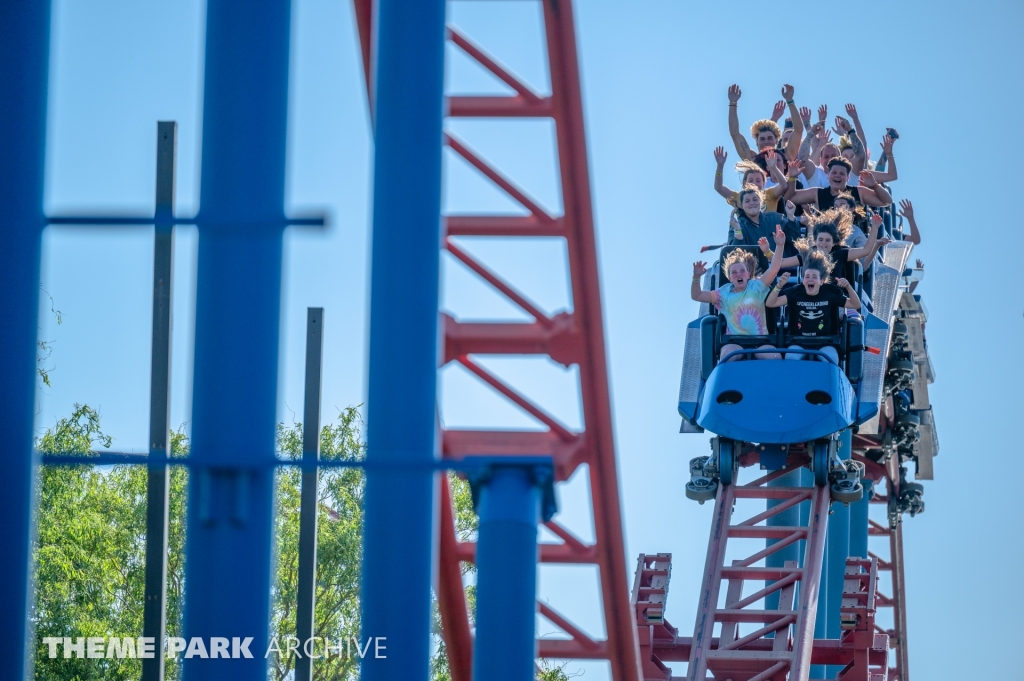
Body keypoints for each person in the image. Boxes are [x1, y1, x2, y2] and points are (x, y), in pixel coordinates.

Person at [691, 227, 787, 361]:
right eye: (734, 272)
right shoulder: (723, 293)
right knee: (727, 355)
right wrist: (696, 278)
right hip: (735, 342)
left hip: (761, 341)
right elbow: (697, 295)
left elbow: (774, 268)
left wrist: (780, 245)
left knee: (775, 356)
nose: (738, 274)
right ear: (729, 277)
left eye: (742, 271)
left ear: (748, 274)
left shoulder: (757, 286)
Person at [765, 250, 862, 364]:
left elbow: (856, 304)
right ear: (803, 280)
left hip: (825, 342)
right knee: (791, 358)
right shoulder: (796, 292)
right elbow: (770, 303)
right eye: (807, 276)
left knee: (831, 359)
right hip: (799, 342)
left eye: (814, 277)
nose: (810, 279)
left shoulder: (830, 293)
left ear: (821, 281)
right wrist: (779, 286)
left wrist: (849, 287)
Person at [727, 84, 804, 162]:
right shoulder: (753, 159)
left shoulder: (786, 155)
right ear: (757, 142)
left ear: (777, 140)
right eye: (762, 139)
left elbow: (798, 130)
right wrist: (733, 103)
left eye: (770, 138)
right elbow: (735, 134)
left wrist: (789, 100)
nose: (766, 142)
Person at [789, 157, 893, 210]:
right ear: (828, 175)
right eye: (834, 172)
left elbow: (887, 201)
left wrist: (875, 185)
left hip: (852, 239)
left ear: (848, 177)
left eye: (842, 173)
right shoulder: (817, 193)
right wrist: (792, 177)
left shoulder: (859, 192)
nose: (837, 176)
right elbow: (790, 198)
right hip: (825, 239)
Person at [713, 146, 789, 209]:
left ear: (764, 183)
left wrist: (774, 168)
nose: (754, 183)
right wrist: (720, 166)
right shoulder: (739, 198)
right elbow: (718, 187)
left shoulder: (769, 194)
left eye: (758, 180)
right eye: (751, 180)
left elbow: (784, 185)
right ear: (744, 183)